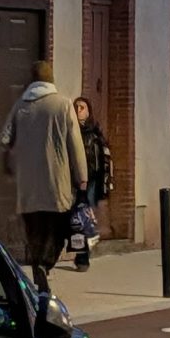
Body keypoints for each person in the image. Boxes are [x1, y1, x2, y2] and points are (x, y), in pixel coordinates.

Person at [0, 60, 88, 293]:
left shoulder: (21, 106)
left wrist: (6, 165)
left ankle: (37, 263)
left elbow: (3, 141)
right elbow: (74, 144)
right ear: (51, 79)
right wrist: (82, 175)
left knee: (34, 230)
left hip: (27, 185)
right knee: (57, 230)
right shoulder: (63, 105)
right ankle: (44, 264)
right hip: (56, 183)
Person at [72, 97, 114, 271]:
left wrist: (106, 182)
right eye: (76, 107)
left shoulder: (95, 132)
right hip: (75, 181)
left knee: (83, 219)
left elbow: (105, 157)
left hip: (91, 182)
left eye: (82, 107)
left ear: (88, 111)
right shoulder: (71, 131)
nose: (79, 110)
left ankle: (83, 257)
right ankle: (81, 254)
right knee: (77, 220)